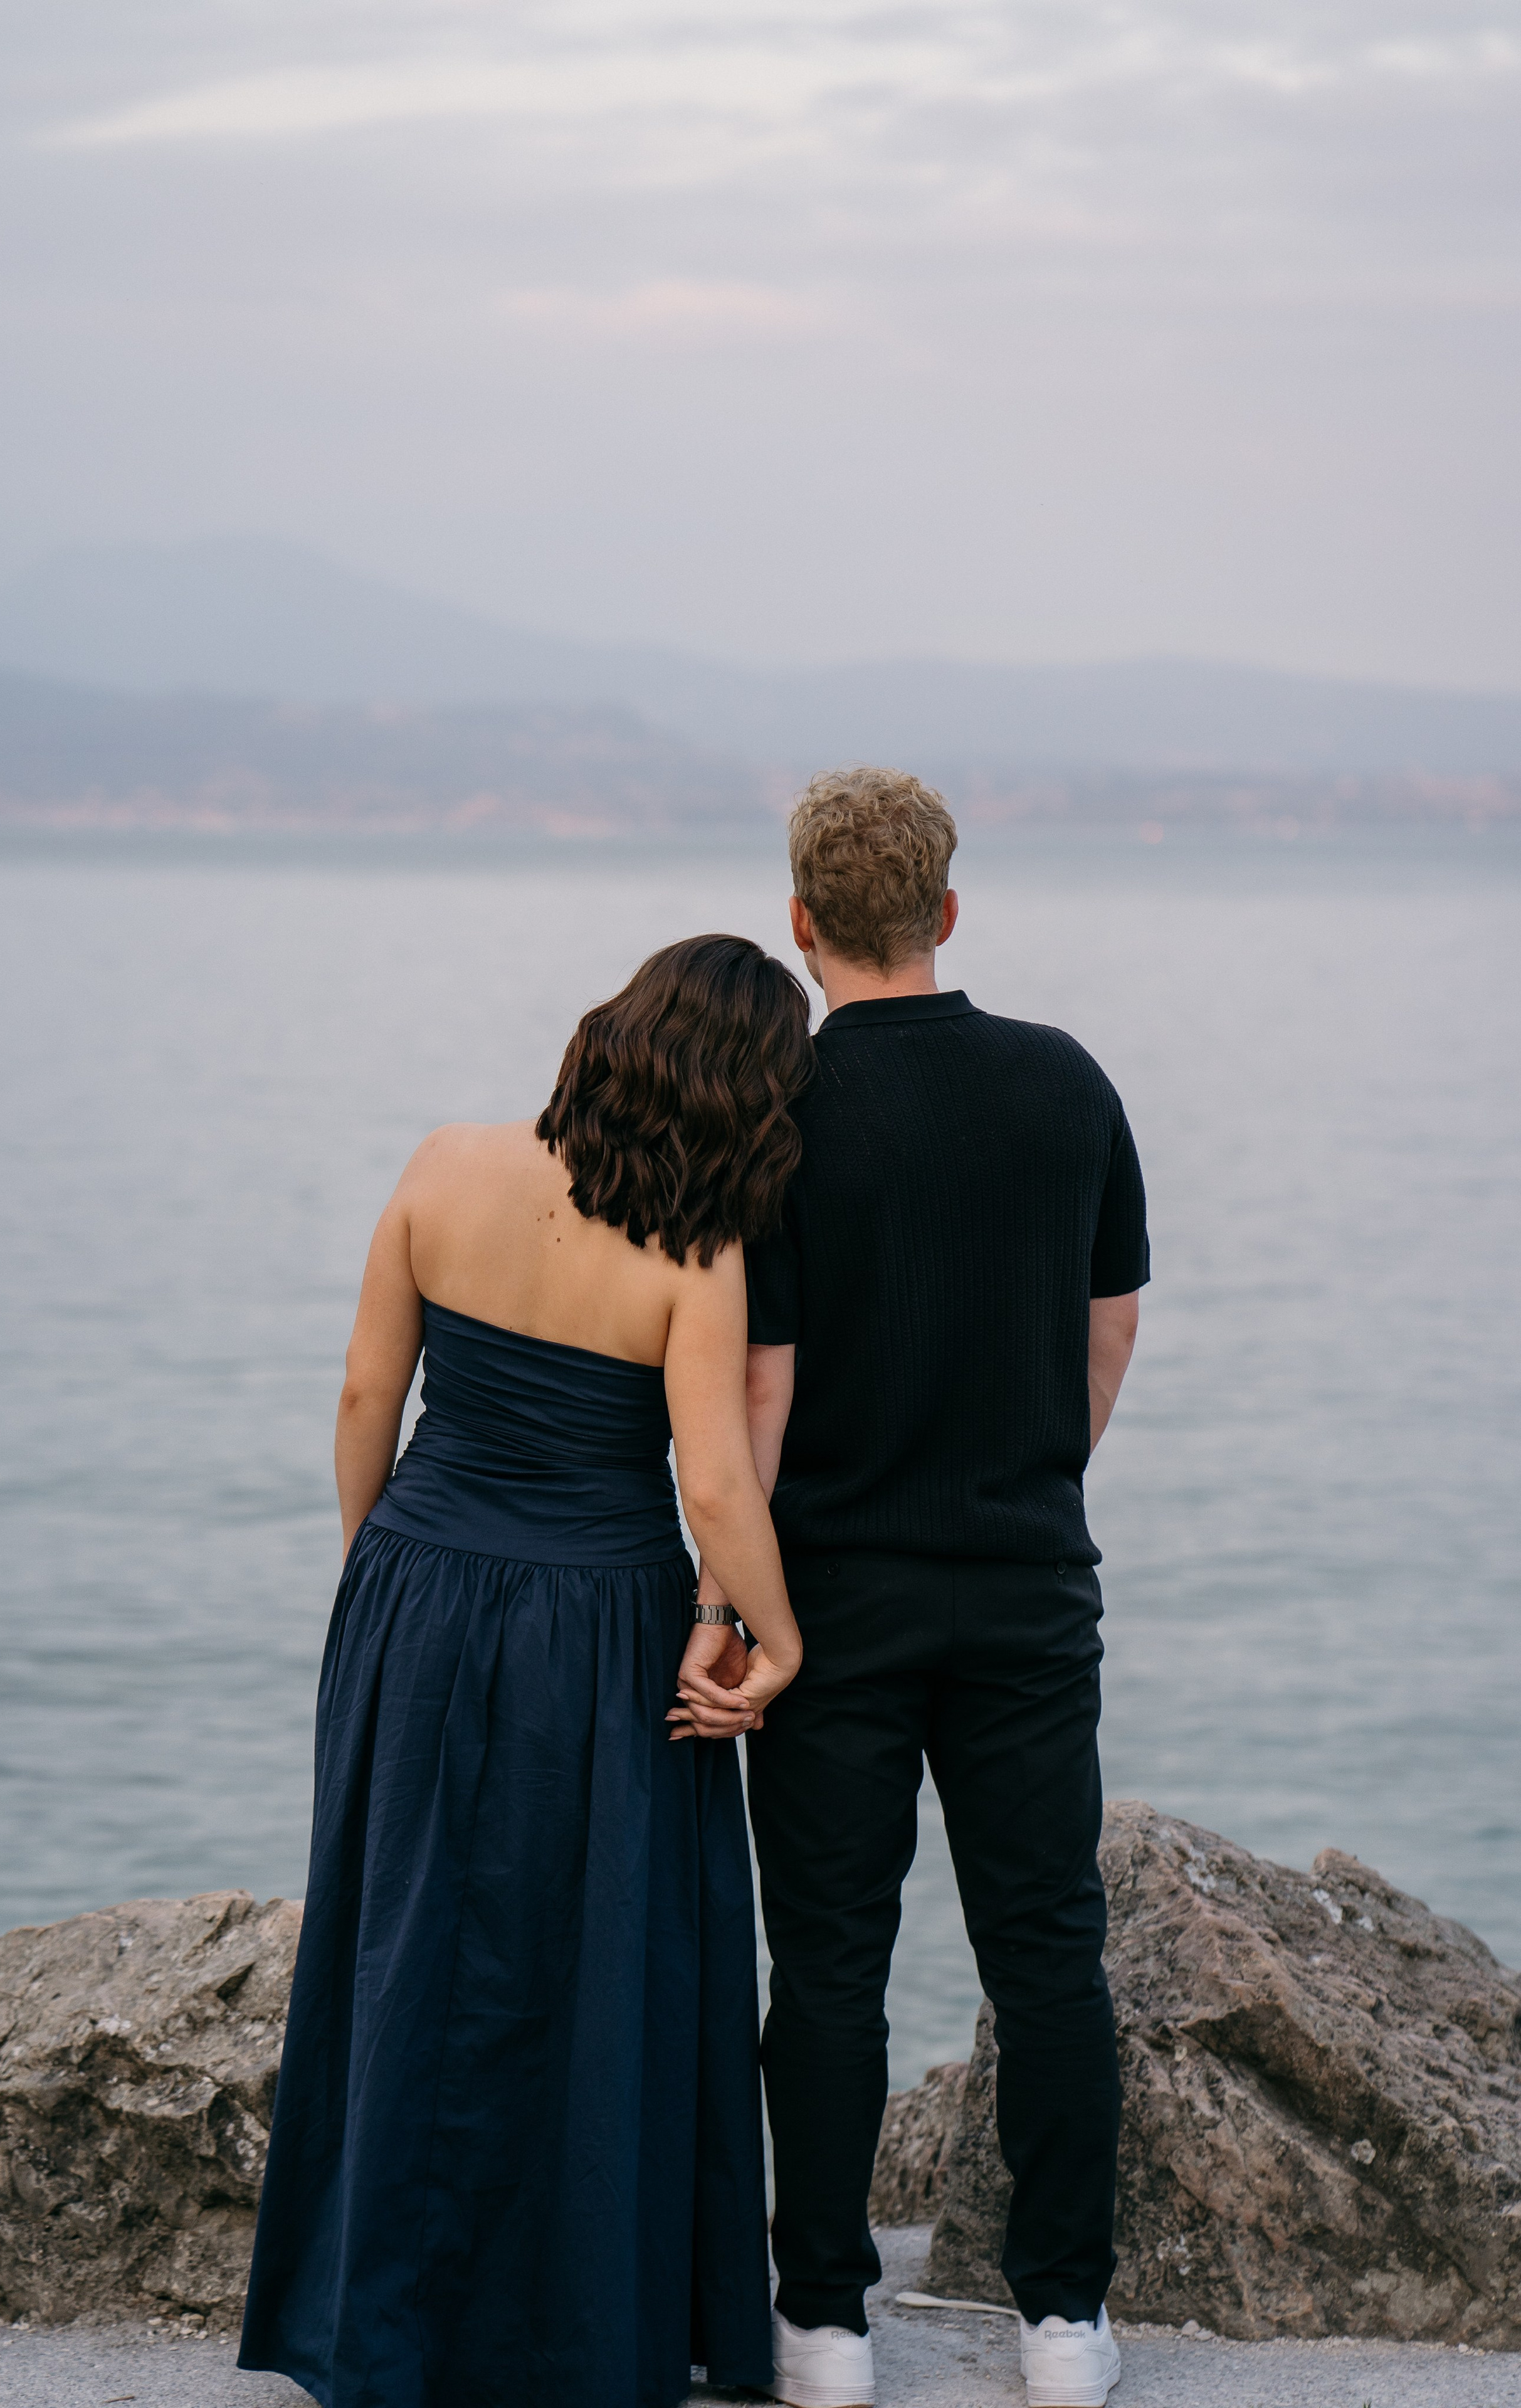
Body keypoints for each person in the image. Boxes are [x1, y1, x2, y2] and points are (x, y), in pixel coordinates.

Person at [238, 934, 811, 2408]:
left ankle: (380, 2322)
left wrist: (377, 1573)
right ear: (745, 1101)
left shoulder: (444, 1163)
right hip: (599, 1625)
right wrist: (778, 1637)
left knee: (406, 1938)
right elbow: (714, 1488)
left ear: (608, 1035)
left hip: (413, 1585)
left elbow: (366, 1392)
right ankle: (570, 2326)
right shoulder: (696, 1252)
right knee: (594, 1958)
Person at [678, 773, 1149, 2408]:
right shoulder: (1065, 1084)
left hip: (830, 1607)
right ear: (947, 909)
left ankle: (823, 2326)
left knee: (826, 1965)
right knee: (1048, 1951)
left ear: (801, 923)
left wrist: (728, 1608)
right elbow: (1107, 1328)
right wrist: (1029, 1478)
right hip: (1028, 1588)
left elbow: (759, 1398)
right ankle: (1064, 2322)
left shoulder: (780, 1113)